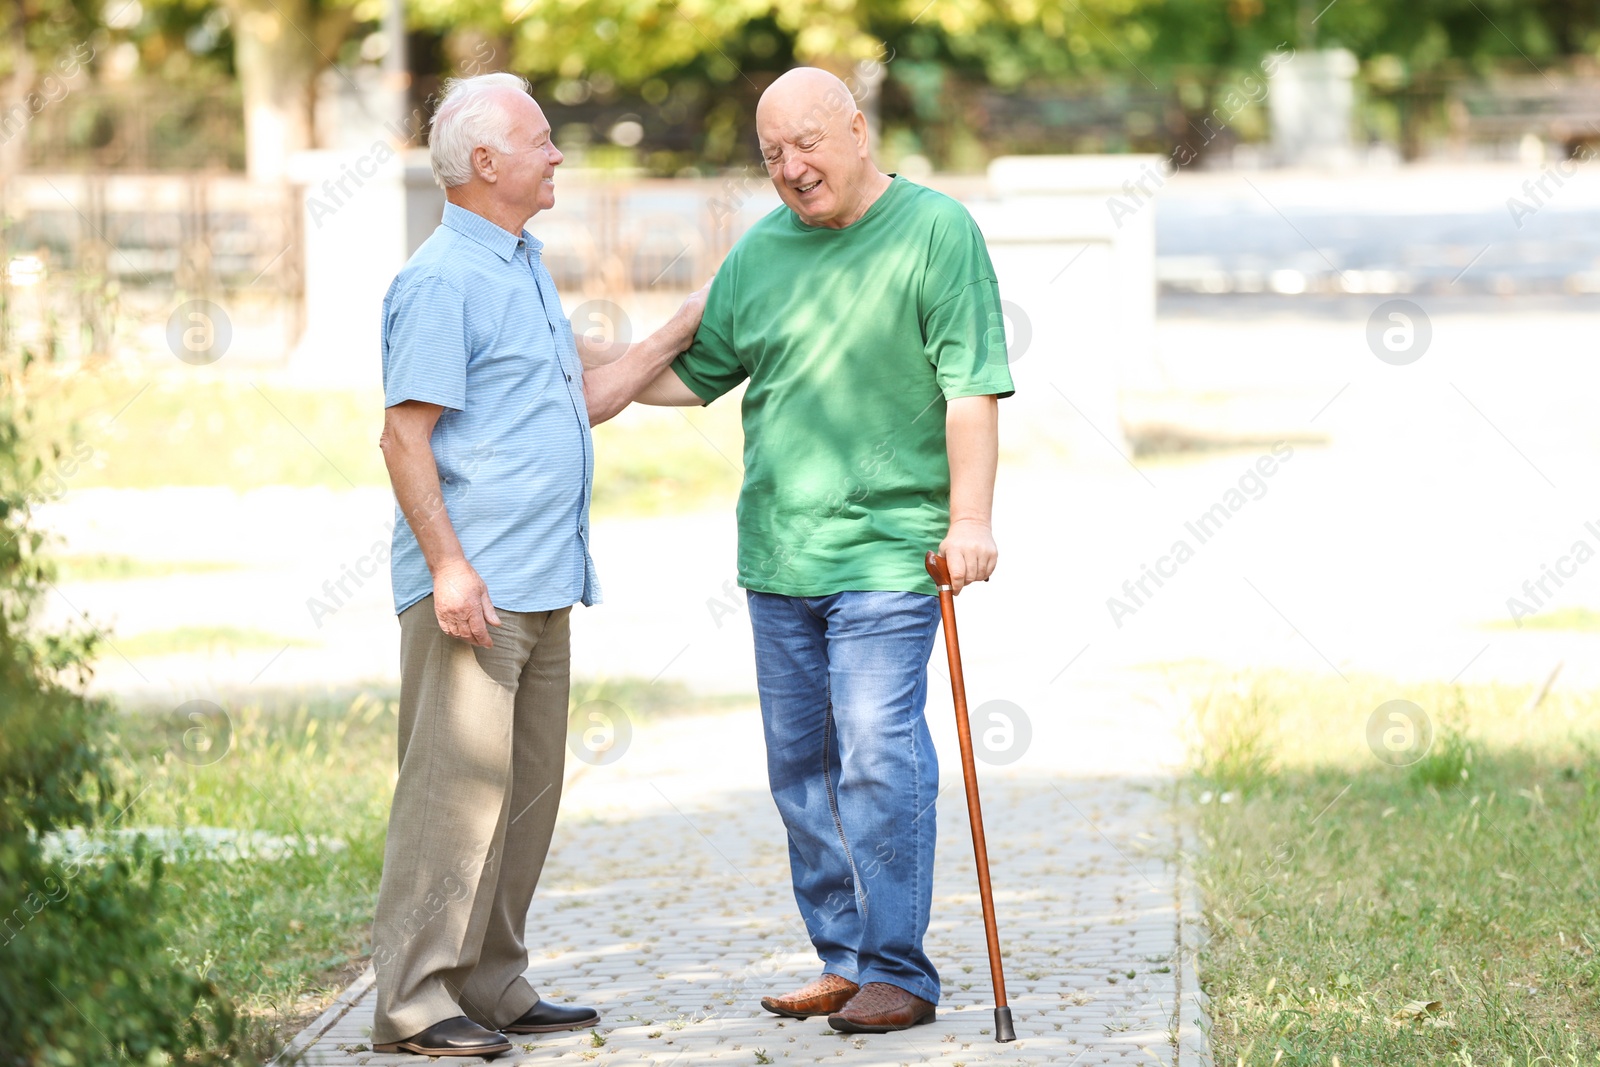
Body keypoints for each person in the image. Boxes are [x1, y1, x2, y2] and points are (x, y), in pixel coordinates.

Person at [627, 66, 1014, 1033]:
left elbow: (972, 388)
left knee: (880, 755)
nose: (793, 170)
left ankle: (900, 971)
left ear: (856, 128)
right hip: (778, 558)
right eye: (771, 157)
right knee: (800, 770)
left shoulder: (936, 232)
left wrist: (970, 521)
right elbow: (699, 373)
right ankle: (843, 958)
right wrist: (599, 370)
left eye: (807, 145)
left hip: (890, 551)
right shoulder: (760, 254)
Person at [369, 72, 705, 1057]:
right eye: (542, 140)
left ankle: (491, 978)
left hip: (545, 576)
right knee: (452, 797)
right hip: (475, 585)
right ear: (486, 163)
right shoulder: (440, 279)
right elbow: (402, 437)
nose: (558, 154)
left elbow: (586, 397)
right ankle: (414, 1000)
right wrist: (449, 568)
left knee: (523, 793)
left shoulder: (519, 264)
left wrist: (694, 329)